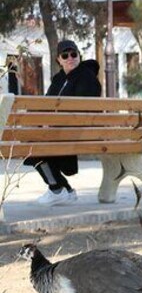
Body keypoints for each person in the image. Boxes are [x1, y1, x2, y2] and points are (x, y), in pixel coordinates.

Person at [26, 40, 102, 206]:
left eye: (74, 54)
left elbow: (84, 112)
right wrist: (43, 122)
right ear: (58, 60)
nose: (70, 58)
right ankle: (65, 190)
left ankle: (57, 189)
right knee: (30, 139)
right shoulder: (59, 79)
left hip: (78, 132)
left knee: (33, 147)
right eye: (65, 55)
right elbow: (47, 105)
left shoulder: (86, 76)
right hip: (61, 130)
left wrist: (52, 123)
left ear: (79, 56)